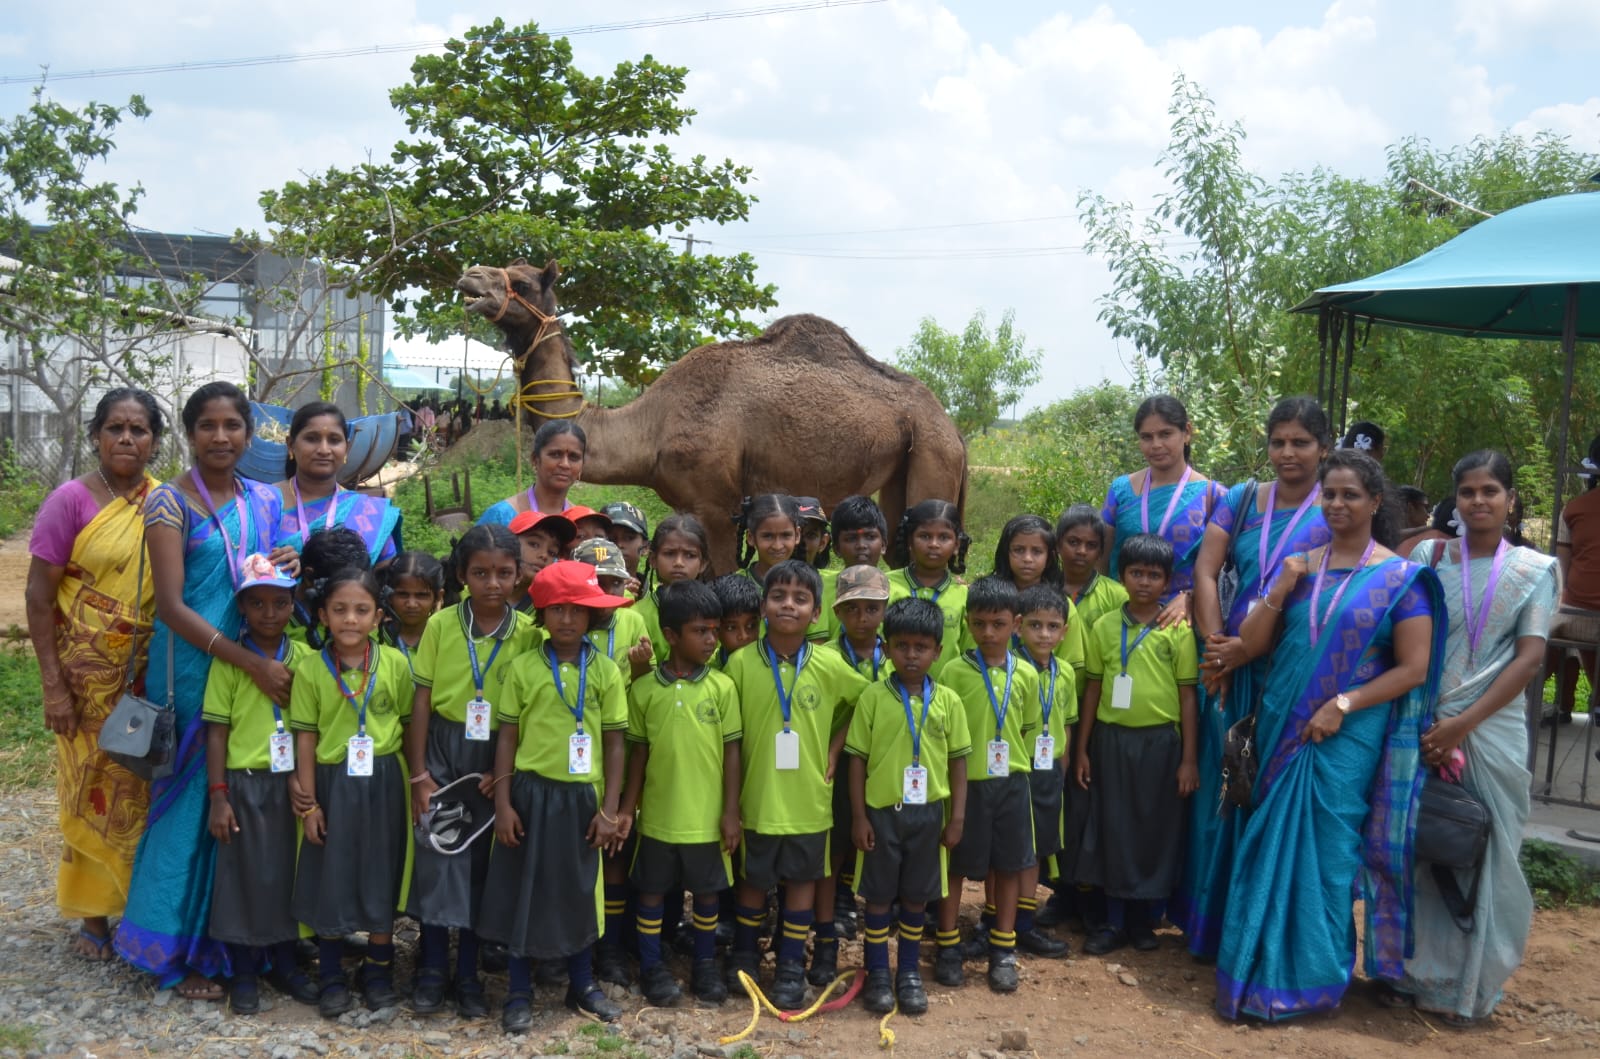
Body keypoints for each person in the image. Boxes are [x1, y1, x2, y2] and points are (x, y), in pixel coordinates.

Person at [1215, 448, 1444, 1022]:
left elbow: (1414, 668)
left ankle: (1310, 981)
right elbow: (1253, 643)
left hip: (1346, 734)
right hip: (1283, 723)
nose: (1338, 504)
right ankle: (1255, 974)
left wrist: (1344, 703)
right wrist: (1281, 584)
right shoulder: (1300, 566)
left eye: (1351, 495)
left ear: (1375, 502)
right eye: (1330, 494)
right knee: (1268, 843)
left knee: (1327, 854)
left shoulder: (1399, 579)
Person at [115, 382, 292, 1000]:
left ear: (249, 433)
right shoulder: (169, 503)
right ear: (190, 435)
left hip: (252, 667)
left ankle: (240, 939)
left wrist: (286, 562)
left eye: (232, 425)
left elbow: (261, 578)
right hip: (192, 672)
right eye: (208, 426)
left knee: (243, 799)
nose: (221, 437)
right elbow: (170, 605)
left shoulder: (263, 499)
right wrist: (246, 662)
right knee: (187, 810)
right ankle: (173, 948)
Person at [1391, 451, 1557, 1026]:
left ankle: (1468, 988)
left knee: (1485, 851)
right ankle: (1411, 973)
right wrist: (1433, 723)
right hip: (1423, 723)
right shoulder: (1429, 557)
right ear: (1455, 499)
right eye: (1468, 492)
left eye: (1490, 491)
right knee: (1422, 846)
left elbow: (1529, 659)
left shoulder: (1534, 570)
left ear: (1510, 499)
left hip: (1490, 728)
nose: (1478, 501)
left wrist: (1461, 725)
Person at [1179, 396, 1332, 959]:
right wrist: (1218, 647)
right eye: (1278, 442)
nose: (1288, 453)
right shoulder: (1241, 499)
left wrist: (1243, 651)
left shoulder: (1335, 505)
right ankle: (1211, 928)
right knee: (1221, 792)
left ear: (1324, 448)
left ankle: (1258, 933)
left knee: (1268, 789)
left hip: (1292, 670)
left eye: (1301, 443)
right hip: (1227, 667)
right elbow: (1205, 570)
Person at [27, 388, 165, 961]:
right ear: (96, 436)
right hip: (83, 683)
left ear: (155, 440)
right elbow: (38, 598)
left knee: (140, 788)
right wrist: (53, 687)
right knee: (87, 786)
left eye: (139, 429)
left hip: (146, 678)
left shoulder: (164, 502)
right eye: (115, 428)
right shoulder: (70, 501)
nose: (127, 438)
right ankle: (92, 917)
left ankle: (141, 910)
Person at [478, 561, 631, 1032]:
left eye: (577, 610)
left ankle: (581, 983)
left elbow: (615, 743)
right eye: (557, 610)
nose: (567, 619)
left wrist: (610, 810)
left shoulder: (605, 671)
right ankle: (518, 990)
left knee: (579, 891)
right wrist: (503, 804)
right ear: (542, 614)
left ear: (592, 615)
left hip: (582, 799)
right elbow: (507, 737)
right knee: (523, 889)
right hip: (530, 795)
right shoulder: (523, 668)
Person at [406, 526, 540, 1019]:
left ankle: (468, 974)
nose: (493, 583)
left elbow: (529, 711)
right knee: (439, 855)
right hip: (444, 750)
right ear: (461, 575)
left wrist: (504, 775)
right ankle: (432, 968)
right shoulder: (441, 626)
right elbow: (422, 700)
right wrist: (420, 775)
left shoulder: (529, 634)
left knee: (482, 865)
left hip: (496, 757)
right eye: (481, 573)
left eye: (504, 573)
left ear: (519, 575)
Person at [721, 560, 868, 1008]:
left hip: (809, 800)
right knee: (753, 879)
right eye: (778, 596)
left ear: (816, 613)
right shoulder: (740, 664)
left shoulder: (830, 664)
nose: (789, 605)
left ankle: (789, 966)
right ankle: (745, 956)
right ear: (763, 607)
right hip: (757, 798)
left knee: (803, 880)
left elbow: (866, 700)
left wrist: (836, 748)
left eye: (800, 599)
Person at [290, 567, 414, 1018]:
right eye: (339, 609)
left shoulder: (395, 664)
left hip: (384, 782)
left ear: (379, 617)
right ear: (323, 615)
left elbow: (407, 726)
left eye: (362, 610)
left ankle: (378, 972)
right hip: (332, 783)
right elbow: (305, 738)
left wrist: (414, 785)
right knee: (332, 876)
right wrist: (309, 805)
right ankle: (330, 975)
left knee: (381, 872)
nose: (350, 619)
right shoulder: (310, 669)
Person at [618, 580, 742, 1007]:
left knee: (706, 895)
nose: (711, 640)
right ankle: (652, 967)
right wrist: (628, 809)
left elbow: (732, 753)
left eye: (714, 630)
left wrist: (731, 811)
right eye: (700, 631)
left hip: (706, 818)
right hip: (657, 816)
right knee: (651, 893)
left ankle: (704, 966)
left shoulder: (722, 688)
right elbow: (638, 755)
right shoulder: (644, 690)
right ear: (670, 635)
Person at [1074, 534, 1199, 956]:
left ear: (1167, 581)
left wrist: (1189, 759)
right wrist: (1083, 749)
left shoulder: (1177, 628)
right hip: (1112, 740)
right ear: (1121, 575)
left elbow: (1187, 696)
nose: (1144, 582)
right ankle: (1112, 922)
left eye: (1154, 575)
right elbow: (1093, 690)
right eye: (1136, 573)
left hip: (1160, 744)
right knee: (1112, 827)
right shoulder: (1104, 626)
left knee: (1153, 829)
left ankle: (1143, 921)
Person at [845, 598, 971, 1016]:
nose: (911, 655)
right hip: (882, 814)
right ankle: (878, 972)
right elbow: (857, 759)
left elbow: (958, 761)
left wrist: (956, 817)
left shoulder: (948, 701)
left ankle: (909, 973)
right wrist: (859, 816)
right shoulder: (872, 698)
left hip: (929, 815)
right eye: (901, 646)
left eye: (921, 647)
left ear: (937, 651)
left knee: (917, 899)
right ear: (886, 648)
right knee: (878, 898)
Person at [202, 554, 317, 1014]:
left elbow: (311, 727)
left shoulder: (306, 659)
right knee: (243, 877)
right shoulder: (231, 664)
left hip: (291, 784)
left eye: (280, 603)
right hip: (245, 785)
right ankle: (244, 971)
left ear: (293, 605)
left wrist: (305, 780)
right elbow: (217, 732)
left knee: (290, 873)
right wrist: (219, 797)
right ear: (242, 608)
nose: (269, 613)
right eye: (257, 604)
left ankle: (285, 963)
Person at [934, 576, 1042, 993]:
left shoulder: (1027, 674)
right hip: (967, 784)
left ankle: (1003, 948)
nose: (988, 633)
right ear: (968, 623)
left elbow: (1027, 728)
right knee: (956, 866)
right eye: (979, 624)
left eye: (998, 624)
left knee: (1009, 866)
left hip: (1011, 782)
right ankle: (947, 945)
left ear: (1016, 624)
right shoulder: (953, 672)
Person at [812, 563, 892, 982]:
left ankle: (879, 949)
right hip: (838, 770)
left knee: (881, 850)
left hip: (887, 768)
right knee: (833, 853)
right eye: (853, 609)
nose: (863, 617)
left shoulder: (898, 653)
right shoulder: (823, 657)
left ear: (885, 610)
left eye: (872, 608)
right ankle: (825, 940)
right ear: (837, 612)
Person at [1100, 395, 1228, 619]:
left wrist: (1192, 597)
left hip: (1182, 622)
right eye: (1146, 437)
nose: (1156, 445)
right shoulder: (1121, 491)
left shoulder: (1214, 496)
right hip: (1121, 618)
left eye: (1165, 434)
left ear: (1186, 432)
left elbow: (1227, 570)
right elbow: (1101, 562)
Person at [1009, 584, 1076, 957]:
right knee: (1011, 848)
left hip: (1049, 771)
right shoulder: (1010, 669)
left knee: (1035, 850)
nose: (1044, 634)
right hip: (1016, 769)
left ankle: (1024, 922)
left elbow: (1066, 723)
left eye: (1053, 627)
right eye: (1035, 625)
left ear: (1064, 631)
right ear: (1019, 626)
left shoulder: (1065, 673)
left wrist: (1062, 769)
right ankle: (997, 920)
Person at [272, 401, 402, 567]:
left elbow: (385, 576)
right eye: (311, 439)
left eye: (334, 440)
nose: (324, 450)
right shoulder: (264, 502)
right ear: (291, 445)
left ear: (346, 448)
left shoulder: (368, 511)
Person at [887, 499, 971, 678]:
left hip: (945, 692)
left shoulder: (964, 595)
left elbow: (969, 652)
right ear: (910, 541)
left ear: (956, 545)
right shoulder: (885, 585)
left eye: (944, 537)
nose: (934, 544)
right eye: (924, 536)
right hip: (891, 689)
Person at [1550, 433, 1600, 724]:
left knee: (1549, 629)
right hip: (1584, 616)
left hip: (1576, 611)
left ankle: (1525, 701)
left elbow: (1561, 570)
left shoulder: (1573, 509)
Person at [1057, 505, 1128, 698]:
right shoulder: (1041, 590)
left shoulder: (1118, 596)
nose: (1081, 551)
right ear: (1058, 545)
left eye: (1091, 545)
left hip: (1099, 695)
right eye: (1073, 542)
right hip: (1049, 695)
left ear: (1100, 552)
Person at [477, 421, 587, 528]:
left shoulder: (583, 523)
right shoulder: (500, 517)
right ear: (535, 459)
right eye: (555, 454)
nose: (565, 464)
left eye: (574, 457)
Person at [634, 515, 713, 662]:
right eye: (669, 554)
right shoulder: (638, 615)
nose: (679, 563)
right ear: (653, 560)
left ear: (703, 564)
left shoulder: (712, 611)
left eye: (690, 555)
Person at [823, 495, 890, 639]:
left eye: (870, 537)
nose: (861, 545)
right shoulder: (820, 590)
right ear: (836, 549)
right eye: (851, 538)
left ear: (884, 545)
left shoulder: (897, 592)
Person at [381, 551, 446, 675]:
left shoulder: (446, 640)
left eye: (421, 595)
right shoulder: (373, 639)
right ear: (389, 596)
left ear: (438, 597)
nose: (411, 604)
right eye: (402, 594)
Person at [508, 510, 576, 612]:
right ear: (508, 543)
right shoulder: (482, 589)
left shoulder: (546, 608)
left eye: (552, 552)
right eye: (534, 544)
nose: (544, 555)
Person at [735, 493, 804, 584]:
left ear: (797, 535)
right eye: (768, 536)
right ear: (751, 538)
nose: (777, 546)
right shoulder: (733, 586)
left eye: (786, 535)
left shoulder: (812, 583)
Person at [710, 573, 762, 668]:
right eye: (731, 628)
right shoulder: (710, 669)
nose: (744, 636)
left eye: (751, 626)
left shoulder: (774, 665)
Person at [603, 501, 651, 585]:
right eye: (610, 539)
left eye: (629, 538)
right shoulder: (584, 590)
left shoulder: (658, 592)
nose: (619, 545)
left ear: (646, 547)